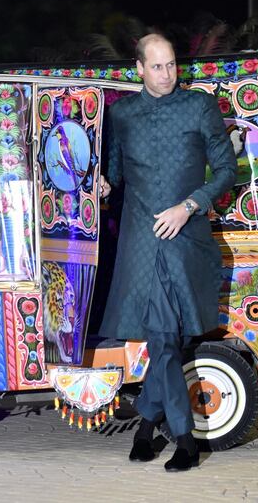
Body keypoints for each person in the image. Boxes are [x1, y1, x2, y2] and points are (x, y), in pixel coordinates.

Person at [98, 34, 237, 472]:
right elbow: (117, 174)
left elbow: (227, 169)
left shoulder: (198, 106)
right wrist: (104, 185)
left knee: (169, 339)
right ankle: (185, 439)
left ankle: (145, 428)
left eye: (172, 65)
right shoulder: (121, 114)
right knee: (162, 338)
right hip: (141, 240)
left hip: (185, 236)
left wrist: (189, 205)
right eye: (157, 67)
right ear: (138, 68)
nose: (167, 74)